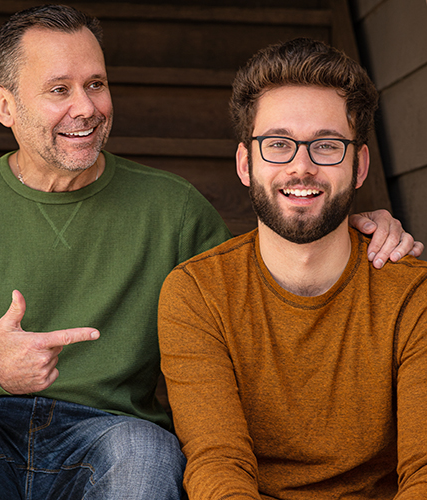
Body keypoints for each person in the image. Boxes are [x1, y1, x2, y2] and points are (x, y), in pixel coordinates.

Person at [0, 4, 418, 498]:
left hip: (110, 434)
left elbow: (265, 279)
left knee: (146, 453)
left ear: (358, 164)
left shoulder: (174, 208)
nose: (86, 107)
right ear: (4, 106)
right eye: (60, 89)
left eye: (96, 83)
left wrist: (354, 224)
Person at [158, 38, 427, 500]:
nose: (301, 167)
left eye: (326, 145)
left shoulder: (411, 296)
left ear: (359, 165)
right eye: (278, 144)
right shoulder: (197, 293)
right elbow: (218, 463)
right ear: (246, 163)